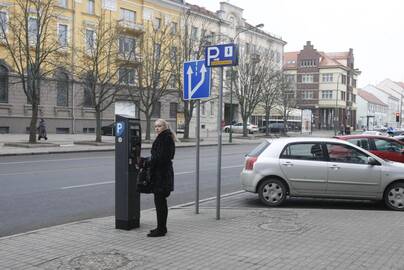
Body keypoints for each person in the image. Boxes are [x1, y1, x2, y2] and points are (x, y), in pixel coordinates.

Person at [147, 119, 176, 237]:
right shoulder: (164, 137)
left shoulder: (165, 138)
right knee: (160, 203)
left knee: (160, 203)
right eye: (155, 126)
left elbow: (162, 157)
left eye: (159, 126)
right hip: (162, 174)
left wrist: (149, 161)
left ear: (164, 126)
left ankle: (161, 229)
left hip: (162, 176)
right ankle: (161, 227)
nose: (157, 128)